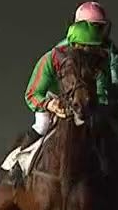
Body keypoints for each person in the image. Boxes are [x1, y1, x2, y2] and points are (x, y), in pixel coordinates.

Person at [7, 20, 108, 186]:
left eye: (93, 48)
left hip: (81, 99)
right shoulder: (50, 59)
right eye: (85, 47)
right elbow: (32, 93)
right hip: (50, 97)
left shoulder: (96, 61)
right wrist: (49, 104)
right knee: (42, 125)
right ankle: (18, 164)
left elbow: (102, 90)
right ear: (73, 45)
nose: (89, 52)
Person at [58, 1, 118, 154]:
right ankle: (21, 160)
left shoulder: (112, 53)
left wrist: (101, 87)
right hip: (66, 104)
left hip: (102, 107)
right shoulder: (60, 50)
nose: (97, 32)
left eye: (100, 27)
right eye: (93, 27)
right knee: (41, 127)